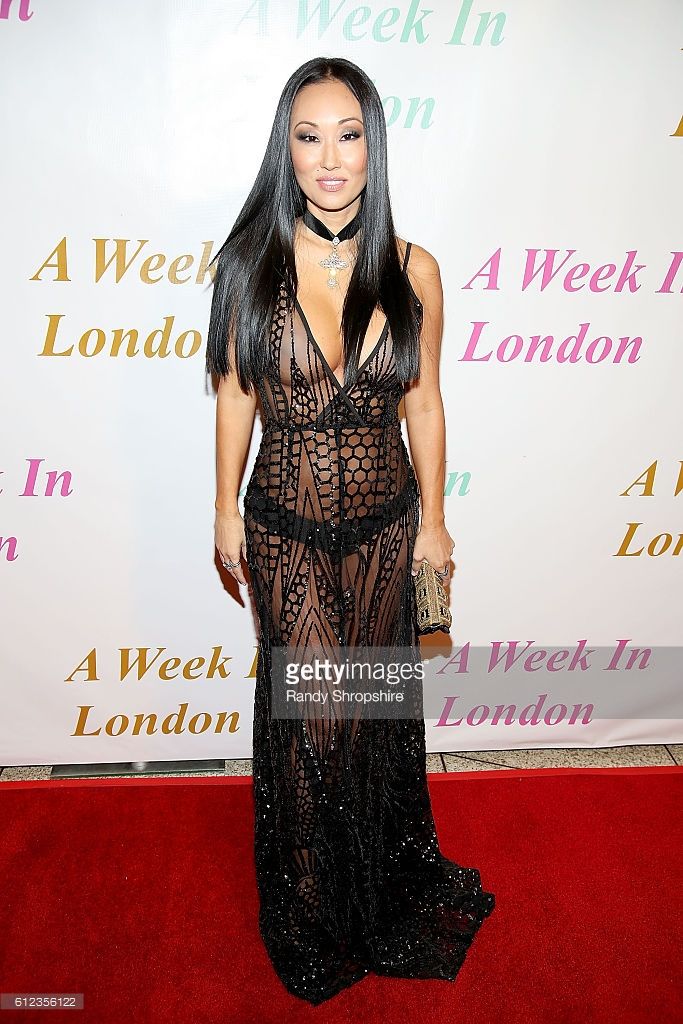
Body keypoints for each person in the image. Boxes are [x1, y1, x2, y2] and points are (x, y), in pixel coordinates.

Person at [206, 56, 495, 1006]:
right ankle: (312, 908)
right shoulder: (248, 264)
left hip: (385, 526)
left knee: (370, 716)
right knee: (312, 721)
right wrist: (222, 509)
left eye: (348, 135)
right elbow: (236, 395)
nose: (329, 158)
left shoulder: (415, 269)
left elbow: (425, 403)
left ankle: (376, 888)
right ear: (285, 150)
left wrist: (436, 525)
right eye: (308, 136)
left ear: (374, 144)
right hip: (284, 527)